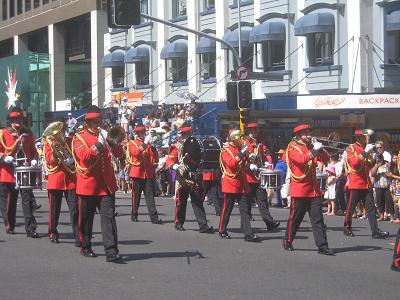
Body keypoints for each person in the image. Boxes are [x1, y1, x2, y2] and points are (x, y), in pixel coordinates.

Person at [72, 105, 124, 263]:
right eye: (95, 121)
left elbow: (120, 154)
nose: (99, 123)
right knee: (86, 220)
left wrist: (114, 143)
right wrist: (100, 144)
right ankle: (85, 246)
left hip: (106, 185)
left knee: (108, 218)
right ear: (88, 122)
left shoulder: (105, 135)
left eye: (99, 120)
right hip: (88, 185)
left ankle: (111, 251)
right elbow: (84, 157)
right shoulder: (79, 138)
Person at [282, 124, 334, 255]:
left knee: (318, 220)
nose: (308, 135)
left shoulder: (311, 146)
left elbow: (327, 159)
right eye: (305, 133)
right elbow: (301, 160)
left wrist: (321, 149)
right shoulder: (292, 148)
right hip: (300, 189)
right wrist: (314, 151)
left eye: (308, 132)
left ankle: (322, 246)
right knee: (295, 219)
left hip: (313, 190)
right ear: (299, 135)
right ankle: (287, 240)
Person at [0, 108, 39, 238]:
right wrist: (4, 157)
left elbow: (33, 150)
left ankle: (30, 228)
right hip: (9, 171)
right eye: (15, 119)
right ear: (10, 121)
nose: (18, 121)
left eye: (20, 119)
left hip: (25, 170)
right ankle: (9, 224)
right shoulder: (3, 133)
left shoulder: (28, 133)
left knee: (27, 200)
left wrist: (34, 160)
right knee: (10, 201)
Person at [166, 126, 213, 233]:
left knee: (197, 201)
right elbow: (170, 160)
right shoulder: (176, 146)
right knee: (181, 202)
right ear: (181, 135)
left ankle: (203, 225)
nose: (187, 136)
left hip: (194, 176)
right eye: (185, 134)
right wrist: (174, 166)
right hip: (183, 177)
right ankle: (178, 223)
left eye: (188, 134)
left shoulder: (195, 144)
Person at [342, 130, 389, 239]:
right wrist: (365, 153)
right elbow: (354, 163)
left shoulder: (366, 149)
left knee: (371, 209)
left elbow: (369, 164)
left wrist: (377, 160)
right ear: (358, 138)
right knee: (351, 208)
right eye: (364, 137)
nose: (366, 139)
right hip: (355, 183)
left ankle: (375, 231)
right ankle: (347, 227)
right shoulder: (351, 148)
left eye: (366, 137)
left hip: (366, 183)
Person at [42, 118, 79, 245]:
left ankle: (78, 234)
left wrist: (72, 159)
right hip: (56, 179)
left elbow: (76, 156)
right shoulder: (49, 143)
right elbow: (49, 160)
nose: (61, 132)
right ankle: (53, 232)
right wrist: (56, 154)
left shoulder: (70, 141)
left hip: (70, 179)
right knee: (54, 209)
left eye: (62, 129)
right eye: (58, 130)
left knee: (75, 209)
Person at [219, 129, 259, 242]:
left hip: (241, 183)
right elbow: (231, 164)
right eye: (240, 138)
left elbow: (248, 160)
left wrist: (252, 158)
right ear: (234, 139)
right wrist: (242, 153)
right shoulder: (225, 151)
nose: (242, 140)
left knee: (244, 210)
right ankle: (222, 230)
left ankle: (248, 234)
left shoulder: (240, 148)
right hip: (231, 183)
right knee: (227, 209)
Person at [243, 123, 280, 231]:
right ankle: (245, 223)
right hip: (248, 176)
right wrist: (249, 165)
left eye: (256, 129)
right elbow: (241, 158)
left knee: (262, 200)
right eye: (253, 129)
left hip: (258, 176)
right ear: (249, 130)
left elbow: (261, 157)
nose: (255, 131)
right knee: (246, 201)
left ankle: (269, 222)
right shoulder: (245, 142)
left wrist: (265, 163)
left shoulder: (258, 142)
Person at [126, 125, 162, 224]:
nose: (143, 134)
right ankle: (134, 214)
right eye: (142, 132)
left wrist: (154, 150)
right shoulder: (132, 143)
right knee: (136, 197)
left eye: (144, 132)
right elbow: (135, 153)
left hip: (147, 174)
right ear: (137, 134)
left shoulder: (148, 145)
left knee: (150, 197)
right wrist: (143, 146)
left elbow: (154, 159)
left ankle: (154, 218)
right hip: (137, 174)